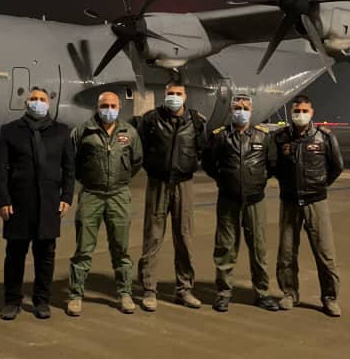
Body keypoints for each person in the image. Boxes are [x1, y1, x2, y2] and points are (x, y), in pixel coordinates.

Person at [0, 87, 75, 320]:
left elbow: (69, 168)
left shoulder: (61, 132)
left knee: (45, 255)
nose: (37, 102)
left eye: (41, 99)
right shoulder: (10, 131)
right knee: (15, 254)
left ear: (49, 103)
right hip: (18, 203)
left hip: (49, 203)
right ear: (26, 103)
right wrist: (2, 200)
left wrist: (67, 197)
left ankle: (42, 300)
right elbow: (0, 169)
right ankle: (12, 301)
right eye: (33, 99)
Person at [67, 92, 143, 316]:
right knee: (83, 248)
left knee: (121, 248)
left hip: (119, 195)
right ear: (97, 107)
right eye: (104, 105)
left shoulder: (129, 132)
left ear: (119, 107)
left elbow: (136, 161)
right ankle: (76, 294)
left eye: (112, 105)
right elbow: (71, 161)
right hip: (91, 195)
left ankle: (125, 293)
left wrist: (120, 179)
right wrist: (88, 179)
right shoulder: (83, 131)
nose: (108, 109)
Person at [202, 94, 279, 313]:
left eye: (245, 108)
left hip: (255, 201)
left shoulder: (263, 136)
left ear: (251, 111)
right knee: (225, 248)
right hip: (228, 200)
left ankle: (262, 292)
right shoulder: (220, 136)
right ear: (231, 111)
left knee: (258, 247)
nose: (241, 111)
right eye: (237, 108)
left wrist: (257, 181)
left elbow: (272, 164)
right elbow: (208, 162)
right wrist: (224, 179)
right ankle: (224, 292)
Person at [136, 81, 207, 311]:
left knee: (184, 237)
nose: (174, 97)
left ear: (185, 97)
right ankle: (149, 290)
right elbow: (140, 149)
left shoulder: (196, 121)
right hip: (157, 183)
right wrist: (152, 168)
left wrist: (188, 166)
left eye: (178, 93)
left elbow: (203, 150)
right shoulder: (151, 120)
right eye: (170, 93)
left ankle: (184, 289)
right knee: (153, 237)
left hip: (184, 184)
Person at [271, 94, 344, 317]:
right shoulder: (280, 138)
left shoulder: (324, 137)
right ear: (291, 113)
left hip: (316, 201)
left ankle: (330, 297)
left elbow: (337, 166)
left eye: (304, 111)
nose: (300, 115)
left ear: (312, 113)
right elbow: (274, 166)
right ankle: (289, 293)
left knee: (325, 253)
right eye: (297, 111)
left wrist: (319, 185)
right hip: (290, 201)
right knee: (286, 252)